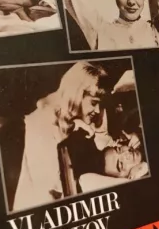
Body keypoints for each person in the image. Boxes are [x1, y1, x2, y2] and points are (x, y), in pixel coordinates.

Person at [12, 61, 112, 213]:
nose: (98, 110)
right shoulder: (42, 124)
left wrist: (78, 123)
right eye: (94, 103)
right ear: (77, 95)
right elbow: (48, 193)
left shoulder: (58, 116)